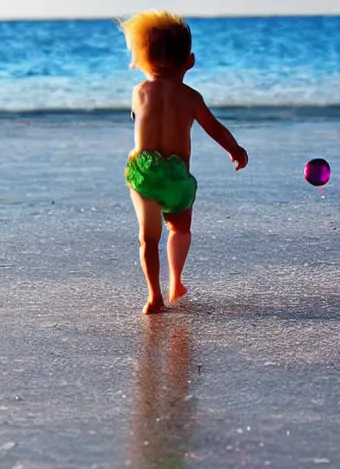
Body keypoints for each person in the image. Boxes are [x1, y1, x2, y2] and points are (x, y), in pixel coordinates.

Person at [120, 11, 248, 313]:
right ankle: (176, 280)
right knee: (179, 230)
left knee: (148, 239)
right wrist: (234, 148)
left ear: (140, 59)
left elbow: (136, 117)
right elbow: (214, 127)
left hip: (146, 174)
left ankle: (154, 296)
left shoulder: (138, 92)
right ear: (189, 61)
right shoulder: (191, 97)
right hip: (179, 177)